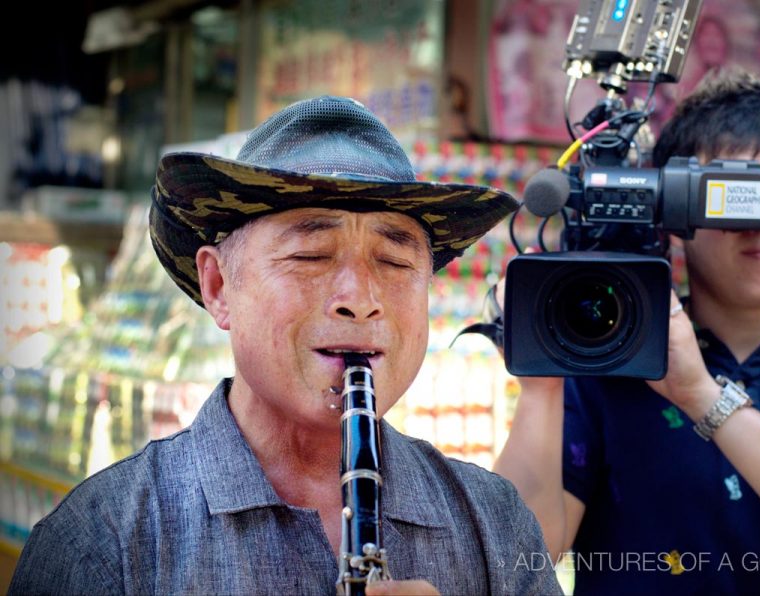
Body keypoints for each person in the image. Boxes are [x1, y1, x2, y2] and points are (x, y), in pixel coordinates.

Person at [10, 96, 563, 595]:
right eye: (309, 256)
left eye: (394, 262)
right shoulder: (102, 542)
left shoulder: (495, 524)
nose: (360, 299)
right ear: (220, 286)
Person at [493, 70, 760, 594]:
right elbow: (519, 558)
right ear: (673, 212)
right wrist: (542, 379)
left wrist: (700, 394)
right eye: (734, 195)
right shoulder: (608, 368)